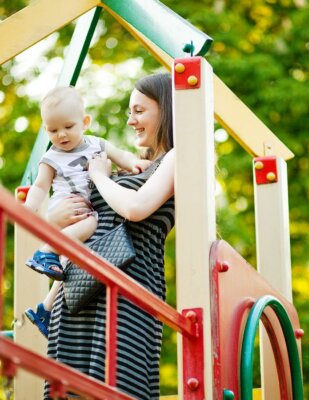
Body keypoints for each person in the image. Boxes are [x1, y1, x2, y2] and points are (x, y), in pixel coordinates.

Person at [44, 73, 175, 400]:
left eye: (139, 111)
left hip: (127, 289)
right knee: (69, 388)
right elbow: (78, 210)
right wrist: (52, 217)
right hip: (79, 291)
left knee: (120, 384)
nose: (131, 120)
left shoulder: (176, 159)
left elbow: (136, 207)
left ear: (167, 110)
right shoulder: (135, 166)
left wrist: (100, 176)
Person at [24, 86, 152, 337]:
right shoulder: (51, 157)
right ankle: (45, 252)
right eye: (52, 130)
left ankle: (45, 310)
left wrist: (136, 164)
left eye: (68, 127)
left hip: (80, 216)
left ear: (85, 122)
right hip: (71, 211)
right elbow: (39, 186)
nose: (61, 134)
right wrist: (29, 209)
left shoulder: (96, 145)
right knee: (92, 224)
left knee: (71, 266)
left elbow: (121, 156)